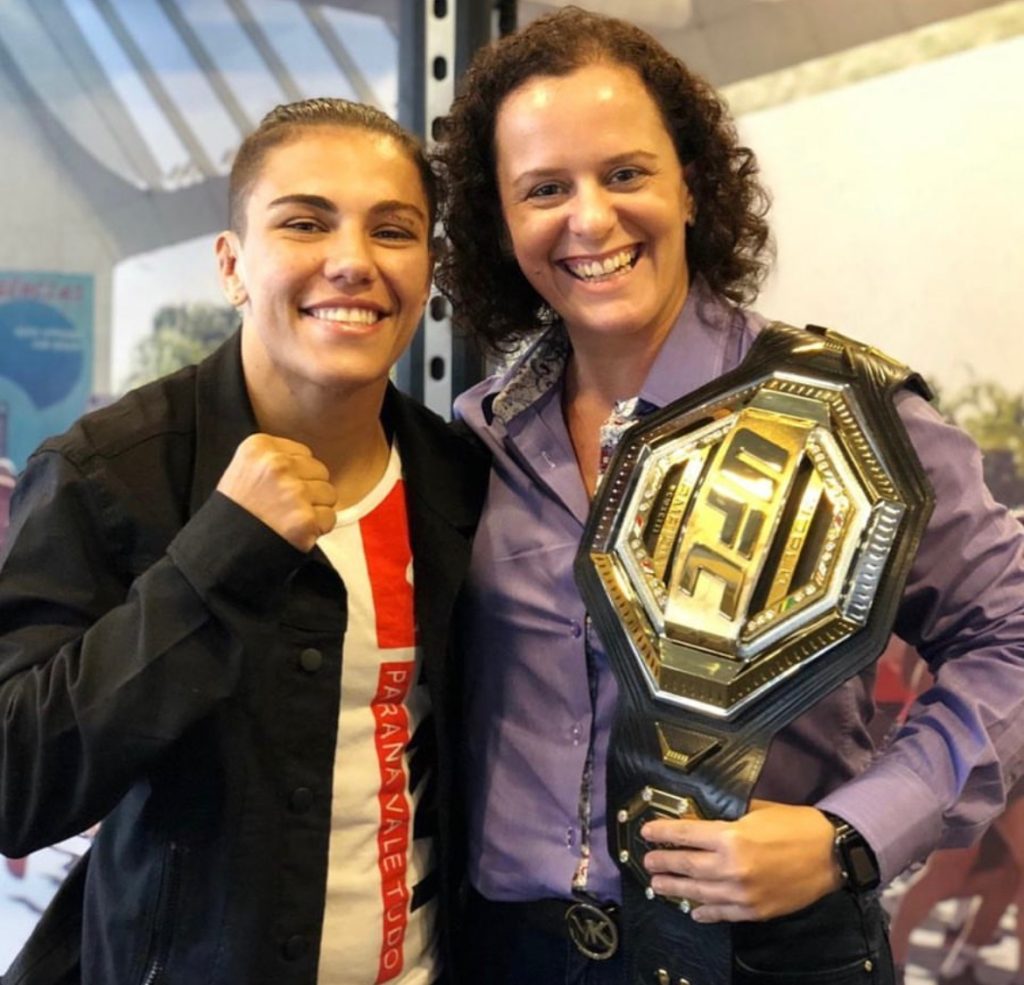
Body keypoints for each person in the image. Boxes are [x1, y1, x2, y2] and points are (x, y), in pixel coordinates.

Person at [432, 7, 1024, 984]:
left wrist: (851, 832)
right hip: (507, 954)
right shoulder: (480, 436)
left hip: (765, 958)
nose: (590, 218)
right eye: (544, 188)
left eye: (626, 173)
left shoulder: (844, 412)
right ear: (501, 222)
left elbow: (1012, 631)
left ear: (693, 185)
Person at [0, 98, 486, 985]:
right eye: (305, 222)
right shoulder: (106, 474)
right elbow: (15, 785)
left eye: (393, 231)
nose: (353, 261)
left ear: (427, 272)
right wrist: (218, 559)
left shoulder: (457, 479)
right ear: (232, 264)